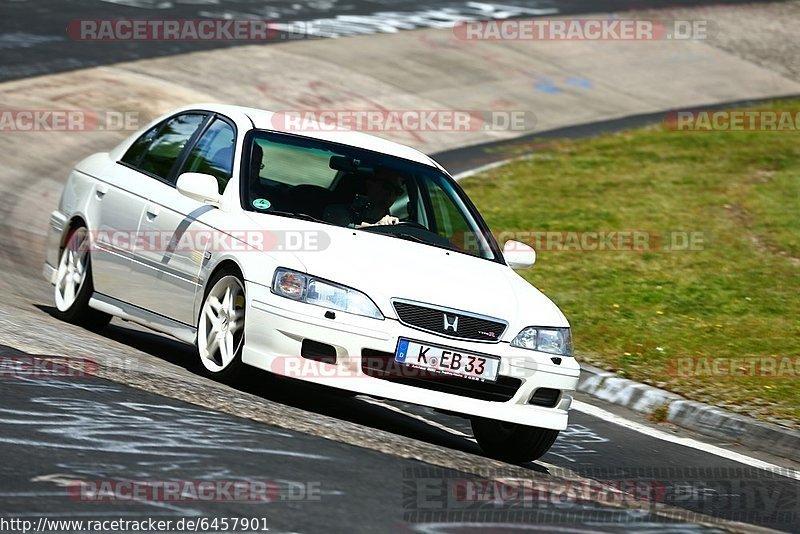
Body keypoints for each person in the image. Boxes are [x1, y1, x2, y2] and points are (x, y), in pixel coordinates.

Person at [323, 166, 406, 227]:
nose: (391, 193)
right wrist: (378, 227)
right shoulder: (335, 211)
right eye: (386, 186)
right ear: (370, 184)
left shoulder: (393, 224)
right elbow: (341, 226)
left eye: (398, 191)